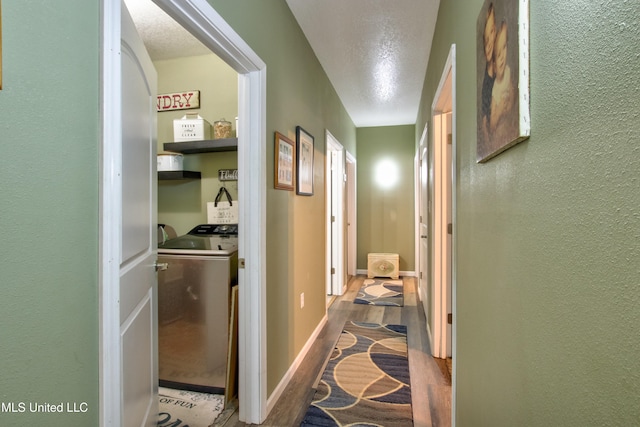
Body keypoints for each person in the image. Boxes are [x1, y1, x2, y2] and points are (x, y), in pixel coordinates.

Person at [489, 19, 515, 135]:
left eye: (504, 48)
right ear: (494, 67)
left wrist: (509, 107)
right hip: (499, 129)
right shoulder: (495, 90)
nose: (502, 58)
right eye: (498, 55)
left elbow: (512, 93)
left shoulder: (508, 72)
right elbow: (492, 124)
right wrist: (499, 112)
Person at [480, 3, 496, 142]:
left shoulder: (504, 73)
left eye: (492, 32)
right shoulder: (486, 86)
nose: (490, 41)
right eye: (486, 38)